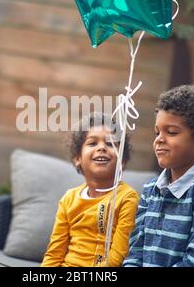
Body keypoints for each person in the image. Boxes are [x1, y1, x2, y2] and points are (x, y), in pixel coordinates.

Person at [123, 84, 194, 267]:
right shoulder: (150, 190)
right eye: (157, 132)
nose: (159, 139)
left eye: (171, 132)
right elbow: (136, 253)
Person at [41, 112, 139, 267]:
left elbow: (116, 259)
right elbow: (54, 254)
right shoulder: (69, 198)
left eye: (110, 143)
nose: (102, 147)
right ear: (77, 159)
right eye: (92, 143)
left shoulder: (127, 198)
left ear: (123, 160)